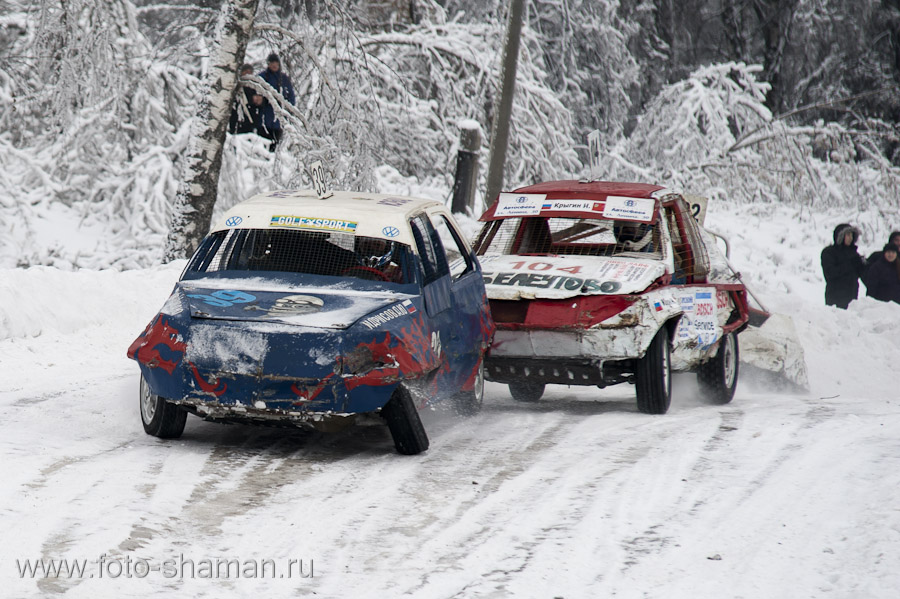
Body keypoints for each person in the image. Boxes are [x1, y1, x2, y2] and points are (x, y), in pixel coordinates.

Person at [821, 223, 865, 309]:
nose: (850, 238)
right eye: (848, 235)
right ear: (840, 236)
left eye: (852, 235)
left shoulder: (854, 253)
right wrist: (849, 264)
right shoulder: (829, 252)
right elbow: (830, 273)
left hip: (852, 294)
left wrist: (862, 265)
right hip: (835, 295)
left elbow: (861, 274)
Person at [258, 53, 296, 151]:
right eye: (272, 63)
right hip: (264, 119)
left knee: (275, 147)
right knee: (262, 145)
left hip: (278, 121)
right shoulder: (262, 77)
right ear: (268, 64)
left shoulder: (284, 79)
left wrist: (289, 110)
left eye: (276, 63)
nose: (274, 65)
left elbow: (291, 97)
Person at [228, 64, 264, 135]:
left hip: (251, 121)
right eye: (246, 71)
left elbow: (262, 103)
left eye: (250, 71)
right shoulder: (236, 85)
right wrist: (251, 99)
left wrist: (260, 101)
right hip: (237, 120)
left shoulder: (255, 86)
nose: (248, 73)